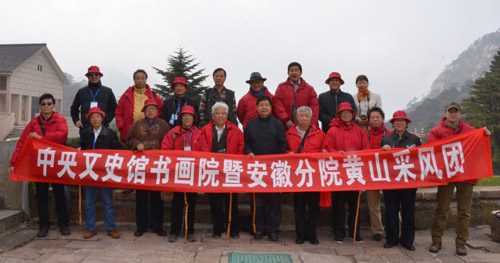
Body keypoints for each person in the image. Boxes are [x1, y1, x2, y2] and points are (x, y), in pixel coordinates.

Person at [427, 102, 488, 256]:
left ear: (460, 113)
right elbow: (430, 150)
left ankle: (461, 242)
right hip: (446, 176)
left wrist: (484, 134)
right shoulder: (437, 131)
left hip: (466, 174)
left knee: (464, 211)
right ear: (445, 113)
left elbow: (478, 146)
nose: (453, 114)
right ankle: (436, 240)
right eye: (450, 111)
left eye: (455, 112)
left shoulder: (469, 130)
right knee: (441, 209)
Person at [8, 93, 70, 238]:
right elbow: (22, 143)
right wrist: (13, 162)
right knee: (41, 195)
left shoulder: (60, 120)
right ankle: (43, 225)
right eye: (43, 104)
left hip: (56, 163)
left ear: (54, 105)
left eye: (49, 103)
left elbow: (63, 135)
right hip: (39, 164)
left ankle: (63, 224)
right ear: (40, 106)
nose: (46, 106)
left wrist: (42, 138)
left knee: (59, 194)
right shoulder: (33, 123)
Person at [161, 105, 208, 242]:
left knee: (191, 204)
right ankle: (174, 231)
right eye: (185, 116)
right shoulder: (172, 133)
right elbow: (165, 151)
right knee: (176, 204)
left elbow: (204, 153)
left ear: (194, 119)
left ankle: (189, 230)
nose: (187, 118)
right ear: (181, 118)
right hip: (177, 175)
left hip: (192, 175)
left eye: (190, 116)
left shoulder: (199, 134)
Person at [325, 102, 370, 243]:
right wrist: (337, 153)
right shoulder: (332, 131)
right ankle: (338, 232)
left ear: (352, 114)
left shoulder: (358, 131)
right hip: (338, 172)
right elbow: (326, 148)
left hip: (354, 172)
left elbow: (366, 149)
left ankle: (354, 231)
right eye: (343, 113)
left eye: (348, 112)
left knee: (354, 204)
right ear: (339, 115)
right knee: (338, 205)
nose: (346, 115)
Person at [244, 96, 287, 241]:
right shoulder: (250, 124)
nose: (264, 107)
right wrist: (248, 152)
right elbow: (246, 143)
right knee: (257, 202)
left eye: (266, 105)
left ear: (270, 107)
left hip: (274, 169)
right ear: (256, 108)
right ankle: (258, 229)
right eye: (261, 105)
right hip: (256, 169)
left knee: (274, 202)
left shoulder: (278, 124)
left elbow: (283, 145)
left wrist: (277, 161)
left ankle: (273, 230)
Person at [125, 99, 170, 237]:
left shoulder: (164, 125)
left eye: (154, 109)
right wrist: (136, 143)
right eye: (148, 108)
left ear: (157, 111)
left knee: (157, 198)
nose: (151, 111)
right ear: (144, 111)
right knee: (141, 197)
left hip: (158, 166)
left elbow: (169, 141)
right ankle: (141, 226)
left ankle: (157, 226)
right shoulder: (136, 125)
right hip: (141, 167)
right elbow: (127, 140)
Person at [79, 107, 124, 239]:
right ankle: (91, 228)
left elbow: (118, 149)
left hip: (105, 173)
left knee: (107, 201)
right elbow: (81, 145)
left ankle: (111, 227)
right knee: (89, 203)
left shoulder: (110, 133)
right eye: (92, 117)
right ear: (89, 120)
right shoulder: (85, 133)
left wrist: (132, 151)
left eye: (98, 116)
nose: (95, 119)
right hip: (89, 173)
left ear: (102, 118)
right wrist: (78, 148)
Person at [201, 102, 244, 238]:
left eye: (223, 113)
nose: (220, 116)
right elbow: (202, 147)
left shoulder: (235, 130)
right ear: (213, 115)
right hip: (212, 170)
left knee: (231, 200)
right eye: (217, 113)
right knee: (215, 201)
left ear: (227, 115)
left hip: (230, 170)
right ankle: (218, 228)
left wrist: (235, 162)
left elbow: (241, 147)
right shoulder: (205, 130)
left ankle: (233, 229)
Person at [286, 106, 327, 245]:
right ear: (296, 118)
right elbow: (284, 150)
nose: (304, 118)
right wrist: (288, 153)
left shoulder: (319, 133)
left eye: (306, 116)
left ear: (311, 118)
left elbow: (325, 148)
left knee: (314, 207)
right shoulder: (289, 133)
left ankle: (312, 234)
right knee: (299, 206)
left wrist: (325, 152)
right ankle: (300, 234)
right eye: (301, 116)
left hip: (314, 176)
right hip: (297, 176)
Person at [381, 110, 421, 251]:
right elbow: (379, 161)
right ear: (392, 124)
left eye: (402, 121)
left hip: (409, 182)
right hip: (391, 182)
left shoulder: (414, 140)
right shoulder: (385, 140)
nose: (399, 123)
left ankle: (408, 240)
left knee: (408, 212)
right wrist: (382, 150)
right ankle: (391, 239)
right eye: (396, 121)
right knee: (390, 211)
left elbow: (419, 159)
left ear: (406, 123)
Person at [363, 107, 392, 241]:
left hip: (388, 174)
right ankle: (377, 231)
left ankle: (395, 229)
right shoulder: (364, 135)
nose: (375, 120)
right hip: (370, 173)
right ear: (368, 120)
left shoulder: (391, 134)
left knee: (392, 203)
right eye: (372, 118)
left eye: (377, 117)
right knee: (373, 204)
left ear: (382, 119)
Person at [116, 69, 163, 143]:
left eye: (143, 78)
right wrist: (122, 126)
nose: (140, 80)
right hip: (130, 131)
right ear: (134, 80)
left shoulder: (154, 96)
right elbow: (119, 112)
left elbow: (160, 111)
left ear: (146, 80)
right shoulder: (126, 95)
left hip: (149, 132)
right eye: (137, 78)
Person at [70, 66, 117, 135]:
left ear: (100, 76)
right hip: (85, 127)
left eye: (96, 74)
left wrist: (105, 120)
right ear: (88, 77)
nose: (94, 76)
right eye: (91, 75)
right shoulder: (81, 92)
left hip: (103, 127)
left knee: (102, 145)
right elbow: (74, 108)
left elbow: (114, 109)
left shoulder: (108, 92)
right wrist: (76, 120)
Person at [273, 62, 319, 130]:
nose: (294, 72)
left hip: (305, 124)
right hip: (286, 124)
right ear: (288, 73)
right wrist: (286, 120)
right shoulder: (281, 87)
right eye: (291, 71)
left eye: (296, 70)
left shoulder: (309, 89)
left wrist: (311, 125)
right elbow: (278, 104)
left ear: (300, 73)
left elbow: (314, 108)